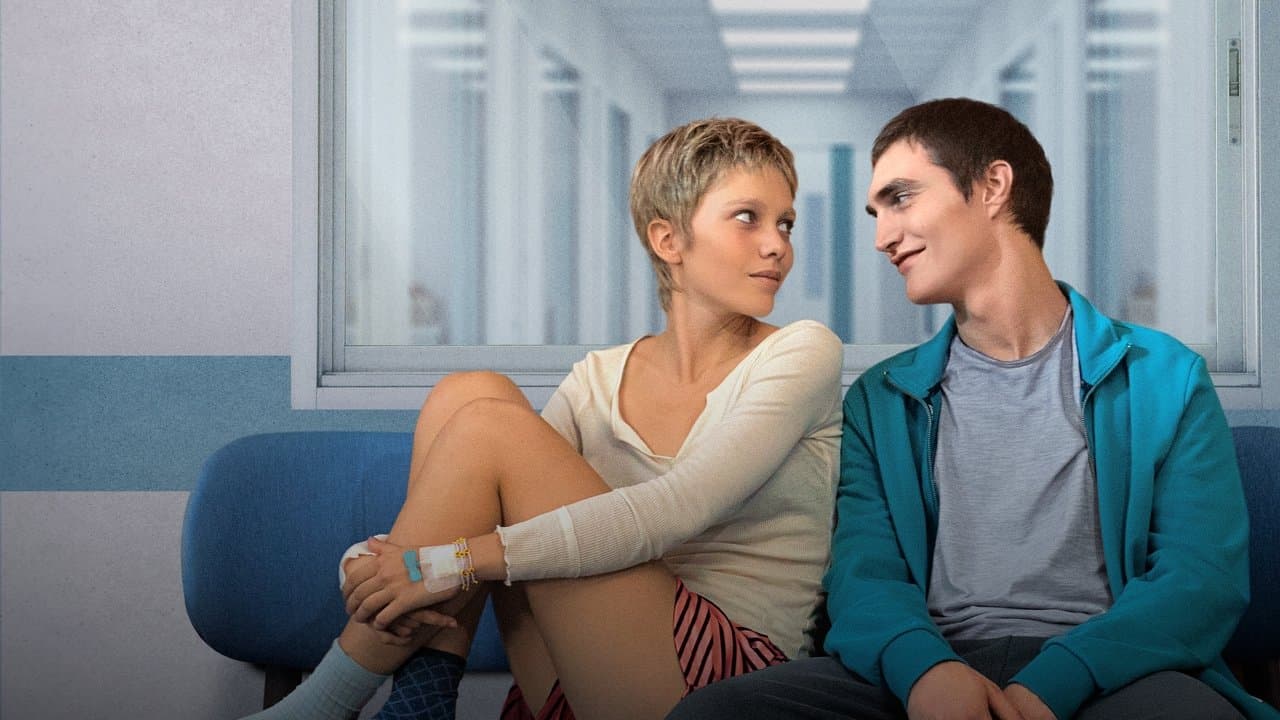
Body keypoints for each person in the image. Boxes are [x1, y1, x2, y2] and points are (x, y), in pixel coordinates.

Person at [668, 98, 1279, 720]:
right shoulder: (883, 399)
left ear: (992, 186)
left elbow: (1199, 581)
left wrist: (1057, 680)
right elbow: (864, 577)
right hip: (928, 668)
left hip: (1108, 672)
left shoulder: (1165, 377)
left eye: (901, 198)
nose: (882, 237)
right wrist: (926, 673)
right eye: (877, 213)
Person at [243, 117, 843, 720]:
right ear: (669, 240)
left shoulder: (802, 352)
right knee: (468, 395)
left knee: (487, 429)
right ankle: (423, 699)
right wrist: (369, 564)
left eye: (785, 223)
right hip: (581, 677)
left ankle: (321, 705)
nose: (778, 245)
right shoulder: (598, 378)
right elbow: (475, 509)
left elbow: (675, 511)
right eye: (748, 217)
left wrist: (441, 564)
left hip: (729, 686)